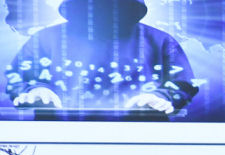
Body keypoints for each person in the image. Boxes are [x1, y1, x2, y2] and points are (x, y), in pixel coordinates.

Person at [6, 0, 196, 114]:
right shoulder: (46, 38)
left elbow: (183, 83)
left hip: (142, 136)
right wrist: (36, 90)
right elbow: (17, 77)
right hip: (60, 133)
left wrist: (158, 97)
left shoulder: (159, 40)